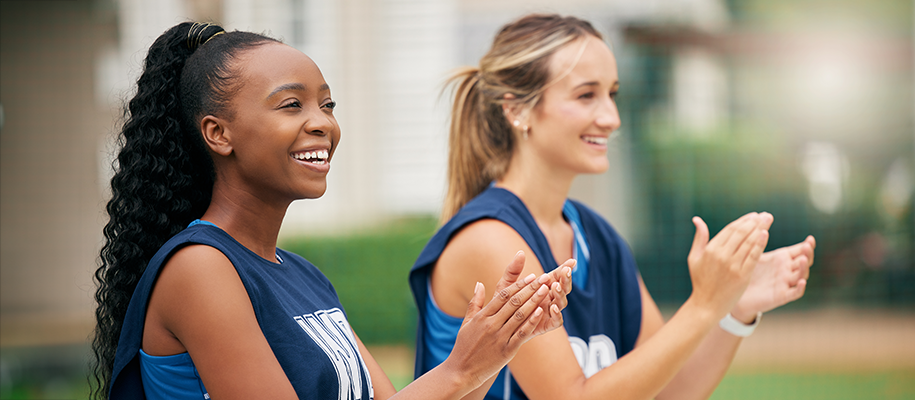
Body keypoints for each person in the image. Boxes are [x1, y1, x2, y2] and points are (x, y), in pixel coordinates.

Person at [90, 22, 575, 400]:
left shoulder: (304, 276)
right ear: (218, 134)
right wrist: (460, 367)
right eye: (291, 105)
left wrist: (498, 344)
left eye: (327, 104)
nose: (321, 122)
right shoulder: (199, 269)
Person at [409, 14, 817, 400]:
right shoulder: (490, 240)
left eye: (612, 94)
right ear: (517, 110)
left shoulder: (597, 236)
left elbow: (668, 390)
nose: (611, 117)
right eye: (587, 95)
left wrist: (734, 309)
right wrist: (704, 304)